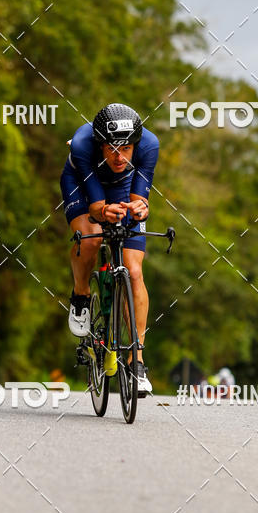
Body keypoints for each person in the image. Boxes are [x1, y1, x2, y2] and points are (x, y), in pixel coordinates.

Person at [60, 103, 159, 395]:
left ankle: (137, 361)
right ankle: (80, 295)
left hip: (121, 188)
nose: (119, 156)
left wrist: (139, 208)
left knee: (135, 271)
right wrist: (104, 212)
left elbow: (140, 197)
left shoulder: (150, 145)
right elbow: (94, 206)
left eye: (126, 149)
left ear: (135, 145)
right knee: (90, 237)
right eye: (112, 149)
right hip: (81, 184)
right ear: (100, 144)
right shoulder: (81, 145)